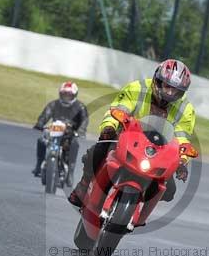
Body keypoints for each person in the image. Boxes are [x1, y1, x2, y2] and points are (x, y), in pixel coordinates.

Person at [68, 59, 195, 208]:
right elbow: (119, 109)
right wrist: (109, 128)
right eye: (167, 86)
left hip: (159, 151)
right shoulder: (137, 88)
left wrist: (182, 161)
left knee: (169, 191)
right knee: (98, 150)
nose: (170, 93)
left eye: (176, 91)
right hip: (127, 139)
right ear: (157, 80)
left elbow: (182, 138)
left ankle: (138, 206)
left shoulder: (186, 109)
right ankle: (83, 186)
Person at [32, 81, 88, 186]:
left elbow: (84, 121)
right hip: (54, 130)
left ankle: (70, 172)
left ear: (74, 95)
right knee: (41, 140)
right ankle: (39, 165)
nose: (66, 97)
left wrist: (80, 131)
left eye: (69, 95)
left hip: (70, 133)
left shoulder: (80, 107)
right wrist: (40, 124)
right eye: (64, 95)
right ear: (60, 94)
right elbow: (45, 115)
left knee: (74, 144)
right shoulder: (53, 104)